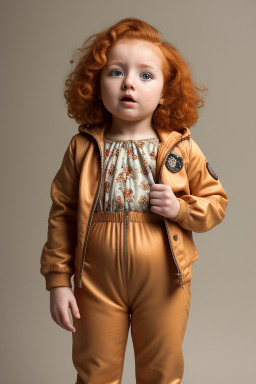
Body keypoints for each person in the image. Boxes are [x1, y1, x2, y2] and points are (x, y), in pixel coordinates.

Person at [40, 17, 229, 384]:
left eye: (146, 75)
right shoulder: (82, 148)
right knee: (95, 372)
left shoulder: (180, 147)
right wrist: (59, 281)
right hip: (95, 279)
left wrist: (180, 209)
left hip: (164, 278)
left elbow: (217, 202)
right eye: (115, 72)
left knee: (162, 371)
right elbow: (62, 215)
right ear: (95, 85)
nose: (128, 82)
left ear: (165, 91)